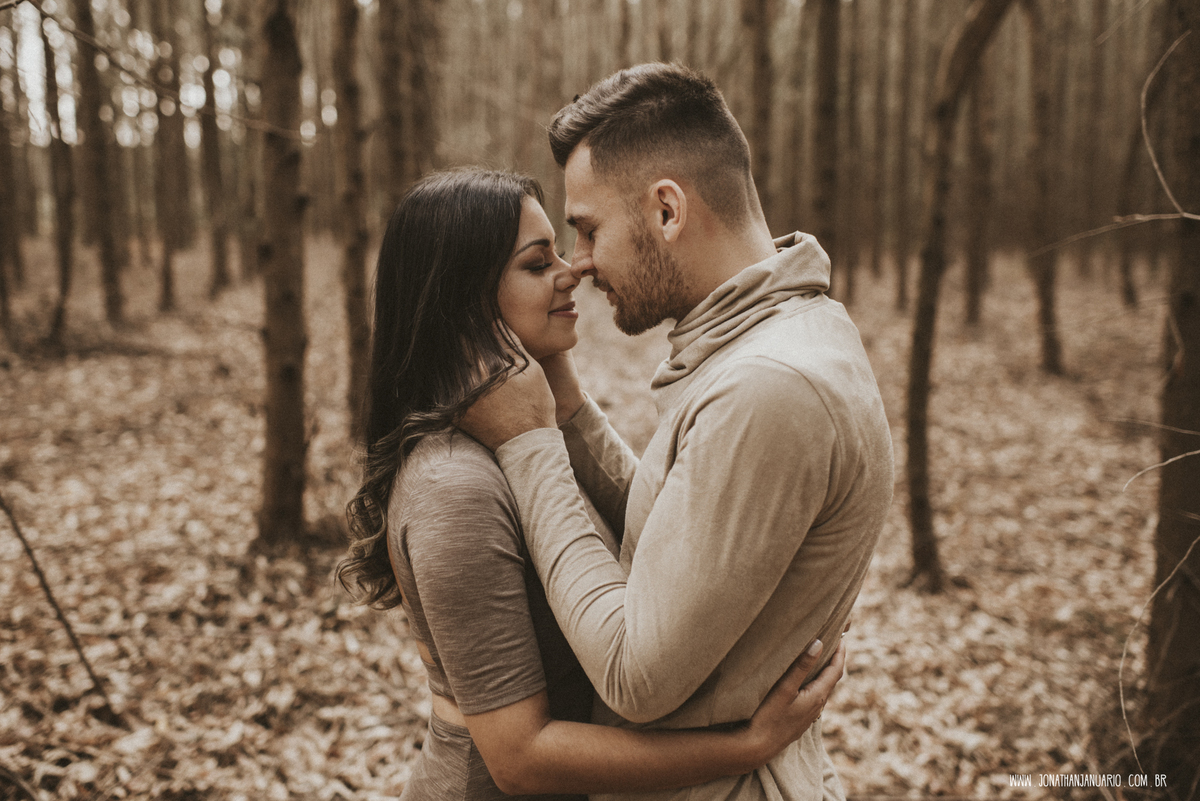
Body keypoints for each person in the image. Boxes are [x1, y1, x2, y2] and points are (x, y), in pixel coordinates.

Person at [337, 168, 846, 800]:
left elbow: (650, 539)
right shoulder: (453, 483)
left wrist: (566, 405)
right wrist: (746, 747)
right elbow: (519, 760)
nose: (571, 270)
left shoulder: (520, 433)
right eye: (536, 262)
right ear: (464, 297)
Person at [458, 64, 895, 801]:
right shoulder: (786, 335)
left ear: (666, 210)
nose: (582, 263)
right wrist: (565, 406)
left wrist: (528, 443)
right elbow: (682, 539)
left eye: (589, 229)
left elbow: (634, 672)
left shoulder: (768, 385)